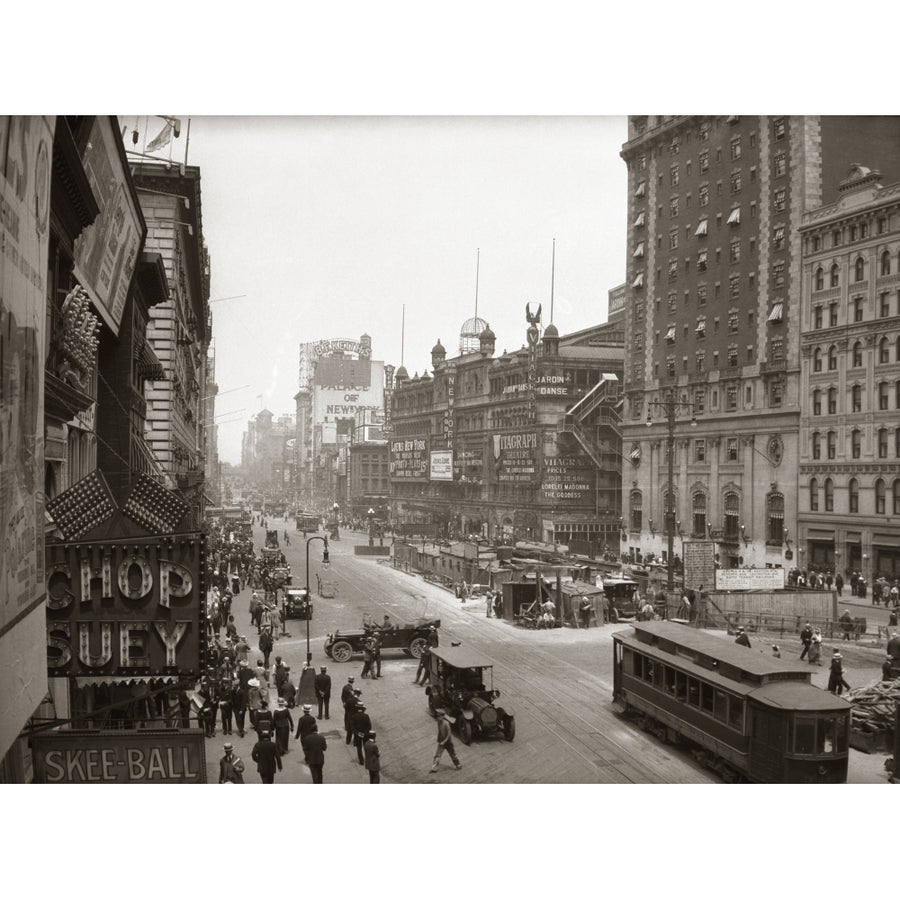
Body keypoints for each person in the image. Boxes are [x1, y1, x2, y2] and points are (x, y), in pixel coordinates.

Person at [342, 676, 358, 743]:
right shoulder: (351, 689)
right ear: (353, 681)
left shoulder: (345, 687)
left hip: (346, 704)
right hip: (350, 706)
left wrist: (344, 702)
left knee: (346, 715)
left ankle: (346, 726)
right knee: (350, 718)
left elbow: (342, 696)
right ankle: (348, 726)